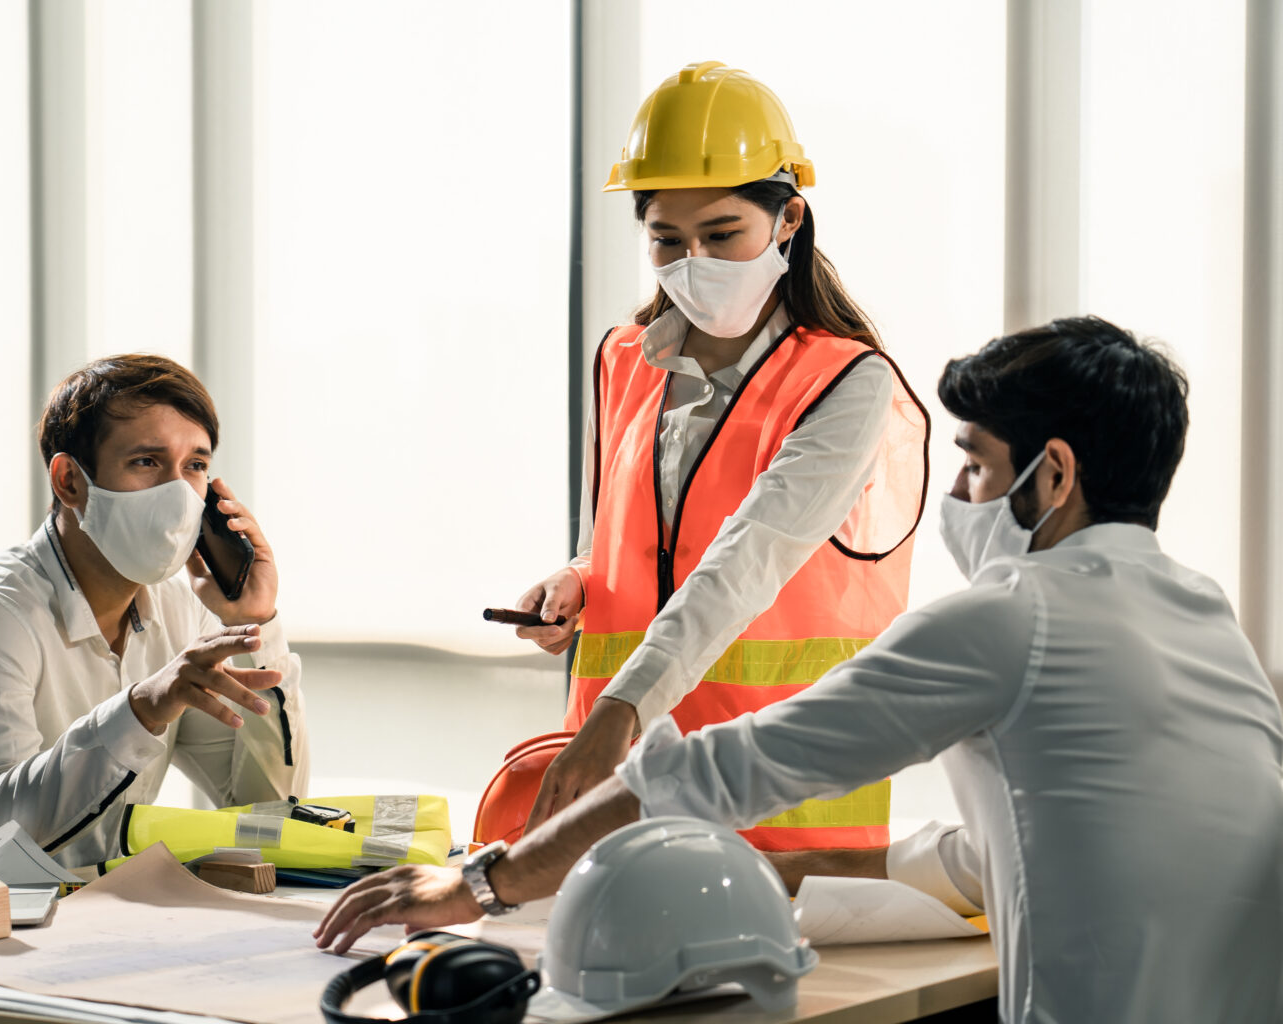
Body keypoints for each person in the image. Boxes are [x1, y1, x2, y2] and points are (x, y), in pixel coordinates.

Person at [317, 317, 1283, 1024]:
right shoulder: (1205, 618)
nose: (956, 495)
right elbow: (999, 852)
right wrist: (769, 874)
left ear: (1055, 476)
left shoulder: (1013, 614)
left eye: (978, 467)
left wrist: (480, 888)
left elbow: (720, 768)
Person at [513, 60, 928, 851]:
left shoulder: (845, 381)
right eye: (666, 238)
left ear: (789, 220)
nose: (692, 260)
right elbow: (631, 542)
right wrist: (576, 580)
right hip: (619, 790)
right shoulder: (624, 360)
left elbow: (749, 558)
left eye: (722, 234)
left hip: (776, 803)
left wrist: (617, 712)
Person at [0, 355, 307, 881]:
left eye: (195, 466)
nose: (180, 496)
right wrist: (139, 709)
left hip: (78, 933)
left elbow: (271, 812)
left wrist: (258, 627)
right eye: (146, 462)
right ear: (70, 481)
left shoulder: (181, 609)